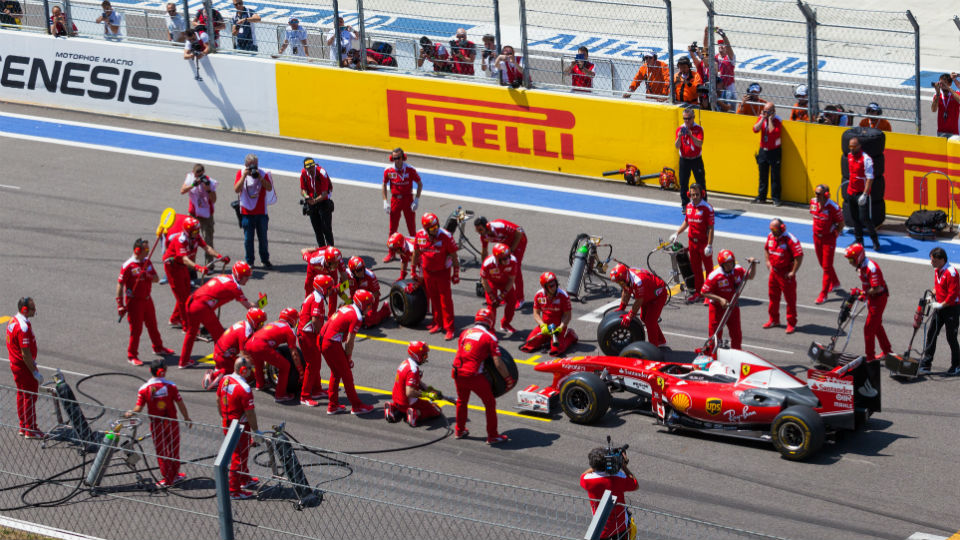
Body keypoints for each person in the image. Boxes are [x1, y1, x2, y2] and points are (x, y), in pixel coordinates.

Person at [125, 360, 192, 488]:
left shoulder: (144, 388)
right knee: (173, 450)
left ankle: (167, 479)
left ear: (151, 371)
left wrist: (130, 413)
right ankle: (174, 476)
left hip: (157, 424)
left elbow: (138, 409)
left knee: (161, 452)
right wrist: (187, 418)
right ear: (162, 371)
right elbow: (180, 403)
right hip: (172, 423)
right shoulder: (171, 386)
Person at [179, 261, 257, 368]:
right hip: (202, 308)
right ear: (239, 276)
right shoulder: (235, 287)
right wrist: (259, 304)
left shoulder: (224, 276)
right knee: (220, 336)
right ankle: (221, 362)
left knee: (191, 333)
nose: (248, 279)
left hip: (191, 301)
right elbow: (249, 307)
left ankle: (183, 361)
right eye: (246, 277)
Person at [452, 308, 513, 444]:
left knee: (462, 401)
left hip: (457, 373)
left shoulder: (464, 333)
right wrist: (508, 379)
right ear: (490, 321)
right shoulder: (489, 337)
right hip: (474, 376)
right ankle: (492, 436)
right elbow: (498, 362)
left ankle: (459, 430)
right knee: (490, 403)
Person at [118, 238, 174, 366]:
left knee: (153, 325)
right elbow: (120, 285)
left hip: (147, 299)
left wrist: (147, 276)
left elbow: (156, 278)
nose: (148, 252)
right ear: (137, 250)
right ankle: (132, 355)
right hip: (134, 302)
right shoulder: (128, 265)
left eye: (149, 249)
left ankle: (158, 347)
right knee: (136, 330)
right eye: (146, 250)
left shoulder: (147, 262)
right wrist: (120, 304)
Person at [319, 290, 376, 415]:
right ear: (362, 304)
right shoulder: (357, 317)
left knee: (336, 373)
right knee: (347, 375)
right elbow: (350, 341)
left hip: (323, 339)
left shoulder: (348, 307)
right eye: (369, 305)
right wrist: (348, 358)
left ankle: (332, 405)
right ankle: (356, 406)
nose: (371, 307)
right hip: (331, 344)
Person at [163, 216, 224, 328]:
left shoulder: (195, 237)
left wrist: (219, 256)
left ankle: (175, 318)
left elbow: (206, 247)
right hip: (173, 268)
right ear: (188, 231)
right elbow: (185, 259)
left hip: (182, 267)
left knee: (186, 293)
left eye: (198, 230)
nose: (197, 233)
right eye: (195, 231)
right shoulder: (180, 240)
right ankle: (187, 326)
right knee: (182, 299)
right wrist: (199, 268)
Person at [217, 356, 260, 500]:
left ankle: (244, 479)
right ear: (243, 370)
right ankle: (234, 490)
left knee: (243, 452)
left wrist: (223, 416)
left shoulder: (225, 379)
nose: (251, 370)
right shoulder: (245, 388)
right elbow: (250, 413)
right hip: (239, 427)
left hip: (227, 422)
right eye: (249, 368)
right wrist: (256, 430)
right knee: (238, 456)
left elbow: (218, 399)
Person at [413, 213, 460, 341]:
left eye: (437, 227)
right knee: (433, 298)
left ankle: (450, 328)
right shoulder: (420, 235)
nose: (436, 230)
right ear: (426, 229)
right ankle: (437, 323)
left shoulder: (445, 236)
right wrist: (413, 269)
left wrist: (456, 273)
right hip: (428, 272)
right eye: (432, 229)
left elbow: (454, 256)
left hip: (442, 272)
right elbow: (416, 252)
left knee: (445, 300)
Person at [244, 309, 303, 403]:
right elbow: (294, 354)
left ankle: (260, 384)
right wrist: (300, 371)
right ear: (293, 319)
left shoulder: (274, 323)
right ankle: (280, 395)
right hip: (260, 346)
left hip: (250, 343)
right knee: (285, 366)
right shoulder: (289, 330)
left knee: (259, 360)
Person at [701, 250, 756, 350]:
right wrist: (720, 299)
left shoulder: (738, 270)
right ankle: (714, 354)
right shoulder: (714, 276)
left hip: (732, 307)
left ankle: (737, 354)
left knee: (736, 334)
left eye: (731, 263)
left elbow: (750, 276)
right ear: (722, 265)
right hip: (717, 309)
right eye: (727, 264)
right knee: (715, 335)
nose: (730, 266)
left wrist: (753, 265)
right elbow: (703, 292)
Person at [580, 447, 638, 540]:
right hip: (620, 525)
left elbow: (583, 475)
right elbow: (635, 484)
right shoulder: (620, 477)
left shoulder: (587, 480)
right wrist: (623, 466)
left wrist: (595, 465)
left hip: (600, 528)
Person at [845, 243, 891, 361]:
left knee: (869, 329)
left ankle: (870, 358)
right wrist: (863, 294)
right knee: (877, 326)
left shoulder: (872, 268)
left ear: (859, 257)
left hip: (878, 298)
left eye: (851, 259)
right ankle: (887, 352)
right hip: (873, 298)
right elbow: (868, 286)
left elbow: (877, 288)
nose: (850, 262)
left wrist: (863, 293)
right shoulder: (861, 266)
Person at [670, 183, 713, 304]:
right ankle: (699, 293)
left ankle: (710, 294)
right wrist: (677, 233)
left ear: (702, 194)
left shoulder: (707, 208)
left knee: (709, 270)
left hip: (704, 243)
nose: (694, 197)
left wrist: (709, 245)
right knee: (696, 270)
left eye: (697, 194)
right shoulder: (688, 206)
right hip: (692, 243)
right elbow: (686, 222)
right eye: (692, 195)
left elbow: (710, 228)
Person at [920, 248, 960, 375]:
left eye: (933, 260)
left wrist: (940, 304)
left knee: (951, 337)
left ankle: (957, 365)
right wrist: (931, 296)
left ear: (942, 260)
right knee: (931, 334)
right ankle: (926, 364)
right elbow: (938, 287)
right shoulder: (938, 270)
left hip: (951, 309)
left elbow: (952, 295)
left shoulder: (951, 273)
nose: (931, 263)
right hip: (940, 308)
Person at [6, 298, 42, 439]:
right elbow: (25, 353)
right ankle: (30, 429)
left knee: (21, 395)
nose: (35, 310)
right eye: (33, 308)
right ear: (25, 310)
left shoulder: (13, 321)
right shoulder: (23, 327)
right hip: (24, 367)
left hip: (16, 365)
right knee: (30, 396)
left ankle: (23, 425)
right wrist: (34, 371)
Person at [205, 307, 266, 390]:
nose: (262, 325)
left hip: (221, 352)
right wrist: (259, 363)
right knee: (249, 376)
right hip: (223, 357)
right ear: (255, 323)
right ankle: (216, 377)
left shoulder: (244, 324)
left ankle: (220, 370)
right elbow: (244, 355)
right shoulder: (245, 333)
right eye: (261, 323)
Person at [385, 341, 443, 427]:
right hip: (407, 402)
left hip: (397, 399)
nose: (426, 357)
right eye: (424, 355)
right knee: (437, 410)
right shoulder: (413, 370)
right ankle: (416, 414)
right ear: (417, 356)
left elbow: (416, 382)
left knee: (402, 409)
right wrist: (427, 394)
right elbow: (410, 392)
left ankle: (393, 408)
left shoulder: (405, 363)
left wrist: (430, 389)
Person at [609, 263, 667, 347]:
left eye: (620, 282)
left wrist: (629, 316)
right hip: (648, 292)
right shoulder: (626, 278)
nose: (620, 284)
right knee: (644, 317)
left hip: (658, 295)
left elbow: (639, 301)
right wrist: (622, 308)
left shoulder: (638, 281)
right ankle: (660, 340)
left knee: (650, 321)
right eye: (618, 282)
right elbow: (626, 291)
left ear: (625, 278)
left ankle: (653, 347)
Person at [298, 275, 334, 406]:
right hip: (307, 335)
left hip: (308, 334)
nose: (331, 290)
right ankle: (305, 395)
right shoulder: (317, 299)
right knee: (312, 364)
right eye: (329, 288)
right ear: (323, 288)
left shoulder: (314, 295)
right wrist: (323, 334)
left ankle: (317, 389)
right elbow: (314, 320)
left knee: (316, 362)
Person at [521, 272, 578, 355]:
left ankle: (570, 336)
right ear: (544, 287)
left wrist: (561, 328)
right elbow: (536, 313)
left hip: (558, 326)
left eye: (555, 284)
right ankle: (547, 338)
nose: (554, 287)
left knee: (556, 350)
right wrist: (542, 325)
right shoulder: (539, 295)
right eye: (551, 286)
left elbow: (567, 315)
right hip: (545, 326)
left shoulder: (563, 296)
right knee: (528, 345)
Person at [475, 216, 528, 308]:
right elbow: (484, 252)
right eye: (477, 231)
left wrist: (511, 251)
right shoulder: (483, 236)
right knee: (500, 268)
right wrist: (484, 268)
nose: (479, 233)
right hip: (506, 245)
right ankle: (505, 296)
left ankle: (520, 298)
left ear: (487, 226)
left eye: (480, 230)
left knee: (515, 269)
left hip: (518, 241)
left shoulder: (499, 226)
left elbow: (519, 233)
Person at [382, 148, 423, 261]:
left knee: (411, 228)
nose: (397, 160)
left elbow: (420, 184)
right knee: (392, 228)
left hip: (408, 199)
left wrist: (417, 200)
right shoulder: (388, 170)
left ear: (403, 157)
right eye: (395, 158)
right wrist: (385, 201)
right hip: (395, 200)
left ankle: (415, 253)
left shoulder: (410, 169)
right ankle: (391, 253)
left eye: (399, 158)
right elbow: (384, 185)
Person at [234, 153, 274, 268]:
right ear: (246, 165)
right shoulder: (241, 173)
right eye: (251, 166)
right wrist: (244, 176)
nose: (254, 169)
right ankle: (249, 261)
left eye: (255, 165)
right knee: (248, 239)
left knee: (263, 238)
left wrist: (260, 178)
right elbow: (236, 189)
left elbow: (269, 187)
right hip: (246, 212)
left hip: (261, 212)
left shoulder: (262, 173)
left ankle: (265, 259)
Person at [763, 219, 802, 334]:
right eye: (771, 229)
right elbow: (766, 249)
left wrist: (793, 272)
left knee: (790, 300)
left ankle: (791, 323)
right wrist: (768, 262)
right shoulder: (770, 236)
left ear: (782, 228)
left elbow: (799, 256)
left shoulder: (791, 240)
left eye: (775, 229)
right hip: (774, 272)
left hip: (786, 274)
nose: (772, 231)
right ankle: (774, 320)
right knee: (773, 297)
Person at [809, 184, 844, 304]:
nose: (816, 196)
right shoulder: (813, 202)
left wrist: (836, 234)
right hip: (816, 237)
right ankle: (835, 283)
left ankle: (823, 294)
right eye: (816, 193)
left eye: (819, 194)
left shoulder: (833, 207)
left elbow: (841, 223)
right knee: (822, 263)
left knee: (827, 266)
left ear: (826, 194)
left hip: (828, 239)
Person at [845, 136, 880, 250]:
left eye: (853, 146)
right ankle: (859, 240)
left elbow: (870, 178)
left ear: (859, 146)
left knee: (864, 218)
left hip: (861, 194)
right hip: (851, 191)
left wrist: (865, 195)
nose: (851, 149)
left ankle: (875, 240)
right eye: (850, 146)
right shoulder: (849, 156)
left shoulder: (866, 159)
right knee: (854, 218)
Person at [181, 164, 218, 266]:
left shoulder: (209, 182)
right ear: (193, 173)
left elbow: (214, 200)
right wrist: (193, 185)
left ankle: (209, 264)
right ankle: (190, 265)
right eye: (197, 175)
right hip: (193, 213)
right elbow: (182, 191)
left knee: (207, 240)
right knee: (189, 240)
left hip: (206, 215)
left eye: (201, 175)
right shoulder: (190, 179)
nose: (200, 178)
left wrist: (208, 189)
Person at [480, 243, 520, 336]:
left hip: (505, 282)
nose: (508, 260)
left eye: (508, 256)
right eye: (505, 258)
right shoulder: (487, 263)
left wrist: (502, 295)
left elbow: (511, 279)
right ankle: (490, 328)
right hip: (491, 282)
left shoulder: (513, 261)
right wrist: (491, 295)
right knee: (492, 305)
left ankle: (505, 324)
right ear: (497, 258)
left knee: (512, 301)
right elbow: (484, 281)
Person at [345, 257, 391, 327]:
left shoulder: (370, 276)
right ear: (353, 272)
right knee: (344, 314)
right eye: (358, 270)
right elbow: (342, 287)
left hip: (369, 302)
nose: (361, 272)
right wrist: (345, 299)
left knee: (370, 321)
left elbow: (376, 293)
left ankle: (385, 310)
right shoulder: (347, 275)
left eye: (362, 268)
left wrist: (364, 303)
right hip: (355, 300)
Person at [752, 101, 783, 206]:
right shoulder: (762, 118)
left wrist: (770, 119)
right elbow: (755, 129)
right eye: (764, 111)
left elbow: (772, 132)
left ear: (773, 112)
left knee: (775, 176)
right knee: (762, 175)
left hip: (774, 151)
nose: (765, 113)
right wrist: (763, 119)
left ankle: (776, 198)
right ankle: (761, 197)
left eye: (768, 111)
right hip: (763, 150)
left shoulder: (777, 120)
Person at [299, 157, 334, 248]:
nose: (311, 170)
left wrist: (314, 201)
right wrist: (306, 197)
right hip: (312, 202)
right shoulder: (303, 173)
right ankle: (322, 251)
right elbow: (302, 190)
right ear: (305, 168)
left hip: (323, 201)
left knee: (326, 229)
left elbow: (324, 194)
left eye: (312, 167)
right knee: (317, 230)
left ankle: (331, 251)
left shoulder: (321, 173)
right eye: (309, 168)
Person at [300, 245, 345, 314]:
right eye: (334, 264)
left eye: (338, 263)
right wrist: (314, 249)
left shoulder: (338, 260)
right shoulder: (313, 259)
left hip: (330, 272)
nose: (337, 265)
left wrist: (339, 288)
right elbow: (303, 250)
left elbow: (345, 279)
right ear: (327, 262)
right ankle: (306, 308)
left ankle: (331, 315)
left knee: (333, 291)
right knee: (308, 287)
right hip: (314, 269)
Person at [675, 107, 705, 208]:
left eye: (688, 118)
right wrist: (679, 137)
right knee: (683, 183)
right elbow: (676, 146)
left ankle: (703, 204)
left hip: (696, 159)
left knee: (700, 183)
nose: (686, 121)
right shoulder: (680, 129)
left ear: (693, 118)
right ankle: (685, 205)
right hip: (684, 160)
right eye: (685, 118)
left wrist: (691, 135)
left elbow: (700, 143)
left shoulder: (698, 129)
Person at [932, 73, 960, 138]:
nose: (942, 86)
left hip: (954, 132)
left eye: (944, 83)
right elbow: (933, 110)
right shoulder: (937, 95)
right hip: (941, 131)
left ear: (950, 84)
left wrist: (948, 88)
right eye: (941, 84)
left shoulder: (956, 93)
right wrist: (938, 93)